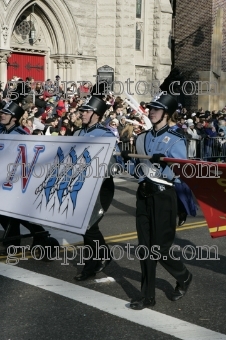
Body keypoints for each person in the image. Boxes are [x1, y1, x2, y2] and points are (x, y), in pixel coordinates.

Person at [121, 93, 192, 310]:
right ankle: (147, 296)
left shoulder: (176, 138)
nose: (151, 112)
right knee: (145, 247)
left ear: (167, 114)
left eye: (157, 109)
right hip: (144, 195)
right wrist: (126, 160)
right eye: (150, 108)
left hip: (164, 196)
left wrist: (182, 205)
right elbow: (136, 171)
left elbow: (182, 172)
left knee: (160, 249)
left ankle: (184, 276)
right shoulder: (141, 138)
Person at [73, 95, 116, 281]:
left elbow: (110, 166)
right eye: (82, 110)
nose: (82, 113)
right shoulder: (77, 134)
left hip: (100, 186)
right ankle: (104, 255)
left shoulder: (105, 135)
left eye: (87, 111)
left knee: (89, 226)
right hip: (81, 185)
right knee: (85, 227)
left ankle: (91, 265)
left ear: (96, 115)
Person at [0, 101, 47, 254]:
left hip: (16, 179)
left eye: (6, 113)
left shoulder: (21, 134)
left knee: (11, 213)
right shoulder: (2, 130)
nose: (2, 115)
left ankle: (14, 242)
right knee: (8, 213)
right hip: (3, 178)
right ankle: (37, 234)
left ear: (14, 118)